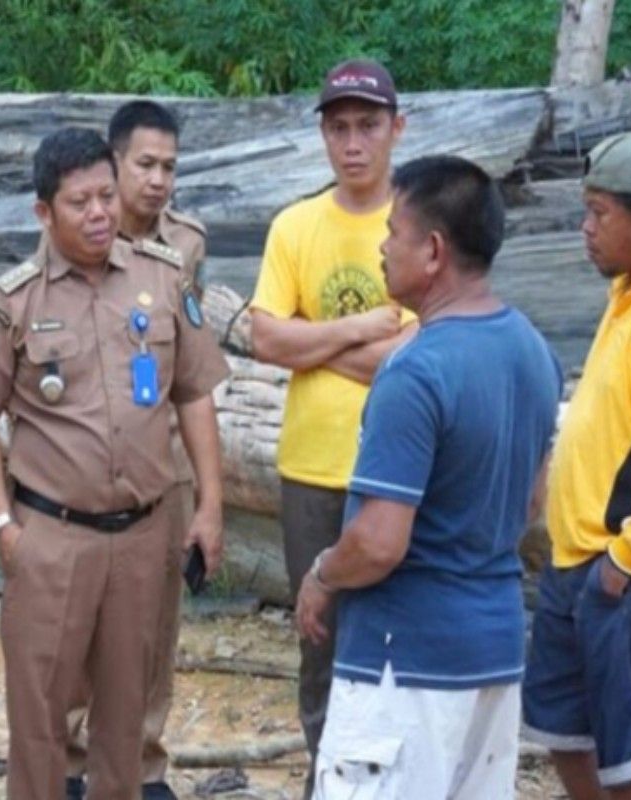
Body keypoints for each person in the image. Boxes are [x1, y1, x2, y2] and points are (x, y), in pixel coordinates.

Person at [0, 127, 229, 800]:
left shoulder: (162, 278)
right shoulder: (11, 302)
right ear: (43, 213)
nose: (101, 212)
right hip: (51, 538)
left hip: (144, 534)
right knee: (41, 717)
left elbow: (193, 395)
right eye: (80, 202)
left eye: (108, 195)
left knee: (127, 718)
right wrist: (3, 527)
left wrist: (211, 507)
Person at [295, 155, 562, 798]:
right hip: (493, 652)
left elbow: (380, 541)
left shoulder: (416, 371)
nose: (384, 247)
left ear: (434, 250)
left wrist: (323, 573)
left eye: (393, 232)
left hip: (404, 660)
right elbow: (532, 500)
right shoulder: (534, 350)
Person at [248, 57, 414, 794]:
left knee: (398, 641)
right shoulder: (295, 225)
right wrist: (364, 331)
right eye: (339, 127)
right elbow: (263, 339)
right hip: (310, 470)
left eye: (368, 126)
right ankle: (327, 780)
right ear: (322, 135)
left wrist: (316, 338)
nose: (354, 143)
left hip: (400, 470)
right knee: (319, 638)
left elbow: (417, 357)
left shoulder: (419, 224)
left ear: (396, 129)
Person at [522, 130, 631, 800]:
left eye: (599, 213)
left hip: (629, 574)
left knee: (627, 765)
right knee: (564, 736)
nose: (584, 229)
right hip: (579, 562)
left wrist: (625, 562)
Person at [62, 99, 207, 800]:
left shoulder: (187, 245)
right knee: (79, 622)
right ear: (113, 163)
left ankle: (144, 764)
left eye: (169, 167)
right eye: (144, 164)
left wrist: (208, 495)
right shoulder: (72, 230)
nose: (157, 180)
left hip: (163, 464)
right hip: (82, 466)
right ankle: (72, 759)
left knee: (153, 627)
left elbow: (192, 368)